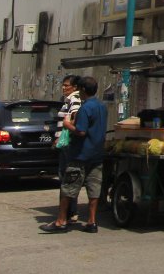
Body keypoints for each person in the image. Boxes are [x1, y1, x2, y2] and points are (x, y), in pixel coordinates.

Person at [41, 76, 107, 233]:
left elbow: (81, 131)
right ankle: (92, 221)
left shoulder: (85, 108)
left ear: (82, 90)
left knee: (68, 188)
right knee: (94, 189)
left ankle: (61, 221)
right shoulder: (102, 106)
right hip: (97, 155)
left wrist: (67, 124)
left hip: (80, 155)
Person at [56, 75, 82, 224]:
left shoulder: (74, 99)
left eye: (67, 85)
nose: (64, 88)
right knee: (66, 177)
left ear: (75, 87)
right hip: (64, 143)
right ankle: (68, 211)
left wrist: (67, 127)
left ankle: (69, 212)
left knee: (67, 178)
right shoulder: (69, 99)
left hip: (68, 144)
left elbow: (74, 117)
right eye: (63, 85)